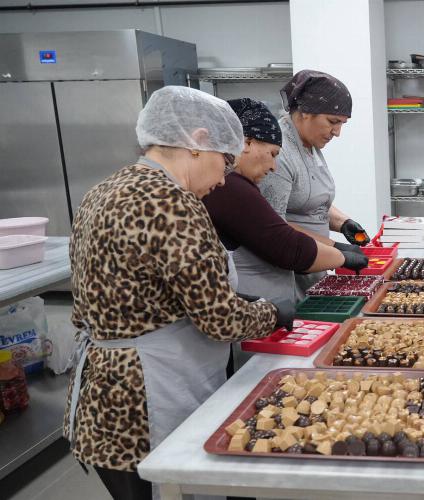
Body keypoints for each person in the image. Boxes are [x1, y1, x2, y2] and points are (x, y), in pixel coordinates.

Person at [62, 86, 296, 500]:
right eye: (224, 162)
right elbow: (219, 319)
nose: (223, 179)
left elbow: (137, 292)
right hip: (148, 392)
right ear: (197, 141)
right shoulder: (172, 202)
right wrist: (271, 313)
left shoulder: (105, 189)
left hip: (101, 394)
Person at [203, 98, 368, 304]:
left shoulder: (238, 184)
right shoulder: (231, 186)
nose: (274, 166)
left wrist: (341, 223)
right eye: (272, 154)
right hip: (255, 309)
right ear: (247, 142)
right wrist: (340, 255)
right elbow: (285, 245)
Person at [260, 70, 370, 299]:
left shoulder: (310, 145)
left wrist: (342, 222)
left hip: (315, 264)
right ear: (305, 112)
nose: (337, 133)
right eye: (333, 122)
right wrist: (335, 248)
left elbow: (308, 198)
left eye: (342, 124)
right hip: (289, 271)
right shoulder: (279, 153)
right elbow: (274, 226)